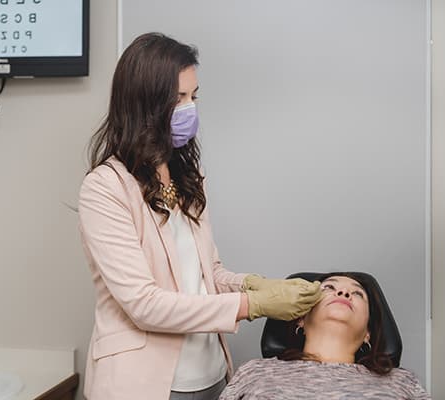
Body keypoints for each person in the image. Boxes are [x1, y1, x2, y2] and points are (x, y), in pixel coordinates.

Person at [77, 32, 322, 400]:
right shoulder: (105, 188)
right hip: (145, 385)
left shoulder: (188, 179)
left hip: (211, 376)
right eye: (179, 99)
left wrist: (252, 285)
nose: (190, 108)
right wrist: (250, 306)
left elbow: (207, 274)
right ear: (145, 104)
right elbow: (144, 305)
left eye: (194, 96)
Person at [219, 272, 431, 399]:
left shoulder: (402, 382)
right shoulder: (255, 371)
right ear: (300, 318)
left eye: (358, 293)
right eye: (329, 288)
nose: (344, 293)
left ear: (368, 332)